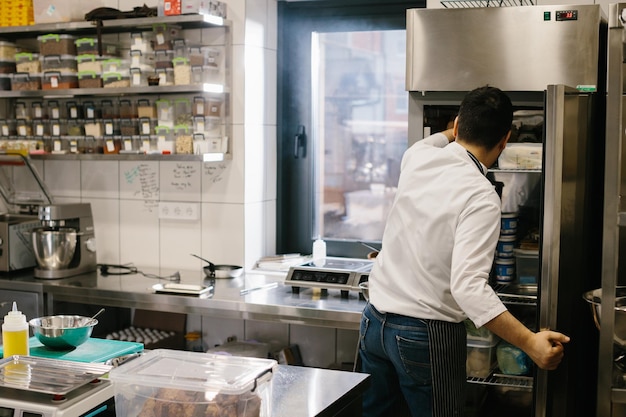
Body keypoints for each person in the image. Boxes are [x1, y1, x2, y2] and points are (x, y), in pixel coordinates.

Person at [358, 86, 570, 417]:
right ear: (505, 141)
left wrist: (462, 126)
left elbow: (439, 139)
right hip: (425, 334)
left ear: (457, 126)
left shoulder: (417, 156)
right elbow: (468, 288)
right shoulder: (482, 196)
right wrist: (530, 343)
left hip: (374, 323)